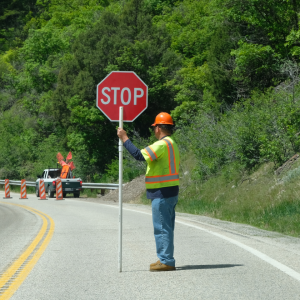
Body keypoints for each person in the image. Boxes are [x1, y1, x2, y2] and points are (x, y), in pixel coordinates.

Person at [117, 112, 180, 272]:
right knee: (167, 227)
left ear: (158, 128)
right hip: (171, 192)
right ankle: (166, 258)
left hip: (162, 192)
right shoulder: (173, 144)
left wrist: (125, 138)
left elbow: (139, 155)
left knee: (161, 228)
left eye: (154, 127)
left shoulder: (161, 145)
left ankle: (166, 260)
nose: (154, 130)